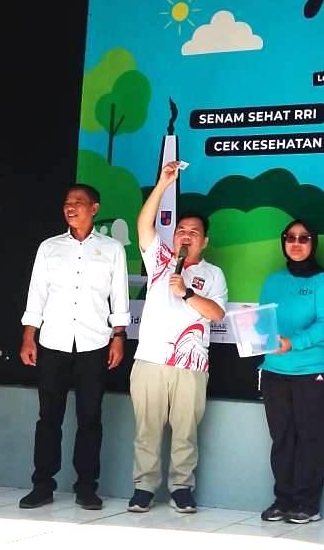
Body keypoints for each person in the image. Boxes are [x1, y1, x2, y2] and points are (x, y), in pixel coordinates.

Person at [18, 183, 129, 510]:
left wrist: (119, 337)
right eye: (67, 202)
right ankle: (42, 485)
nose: (71, 207)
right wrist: (28, 336)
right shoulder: (49, 247)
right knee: (48, 417)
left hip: (94, 343)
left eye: (79, 202)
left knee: (90, 418)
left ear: (94, 208)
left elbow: (119, 297)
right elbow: (36, 293)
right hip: (53, 341)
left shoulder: (112, 249)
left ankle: (86, 488)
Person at [128, 160, 227, 514]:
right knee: (147, 429)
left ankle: (181, 488)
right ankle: (144, 487)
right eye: (181, 230)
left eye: (194, 232)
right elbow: (143, 224)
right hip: (150, 359)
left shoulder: (213, 274)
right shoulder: (159, 261)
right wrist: (162, 184)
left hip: (191, 363)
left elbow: (216, 313)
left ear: (205, 241)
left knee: (186, 431)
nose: (186, 235)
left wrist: (186, 292)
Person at [258, 219, 324, 524]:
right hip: (275, 370)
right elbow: (263, 322)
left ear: (313, 243)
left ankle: (307, 504)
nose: (296, 243)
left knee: (311, 439)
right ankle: (283, 500)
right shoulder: (272, 280)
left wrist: (293, 342)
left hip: (314, 370)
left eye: (304, 238)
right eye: (290, 237)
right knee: (281, 439)